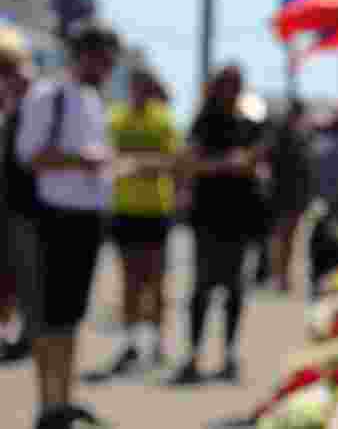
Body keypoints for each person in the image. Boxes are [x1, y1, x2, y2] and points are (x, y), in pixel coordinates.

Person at [15, 22, 121, 427]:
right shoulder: (49, 95)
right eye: (103, 59)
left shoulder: (93, 100)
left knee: (72, 317)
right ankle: (48, 404)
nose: (107, 68)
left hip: (87, 220)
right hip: (53, 219)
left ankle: (63, 399)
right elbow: (30, 155)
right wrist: (83, 162)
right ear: (83, 55)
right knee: (50, 317)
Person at [167, 64, 265, 386]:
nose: (232, 90)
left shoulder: (249, 121)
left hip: (240, 215)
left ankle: (229, 355)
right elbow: (189, 162)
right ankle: (193, 356)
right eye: (227, 84)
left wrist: (248, 164)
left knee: (234, 288)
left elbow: (257, 161)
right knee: (203, 287)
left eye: (236, 84)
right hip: (208, 216)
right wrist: (227, 164)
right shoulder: (205, 121)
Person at [85, 69, 179, 379]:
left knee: (157, 279)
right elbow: (106, 155)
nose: (139, 91)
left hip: (156, 209)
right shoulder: (116, 116)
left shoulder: (163, 118)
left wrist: (137, 164)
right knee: (130, 279)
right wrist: (138, 163)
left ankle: (158, 343)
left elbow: (173, 160)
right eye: (135, 85)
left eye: (144, 86)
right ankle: (130, 343)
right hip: (124, 209)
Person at [0, 27, 33, 365]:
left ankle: (22, 335)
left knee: (19, 273)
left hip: (22, 207)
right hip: (9, 204)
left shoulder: (30, 111)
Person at [268, 99, 313, 294]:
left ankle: (283, 277)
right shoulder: (284, 135)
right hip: (284, 194)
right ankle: (280, 277)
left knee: (288, 238)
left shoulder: (299, 135)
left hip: (293, 195)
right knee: (282, 238)